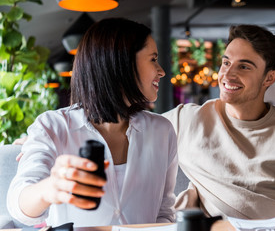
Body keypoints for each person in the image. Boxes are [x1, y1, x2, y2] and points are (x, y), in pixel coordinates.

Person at [7, 18, 178, 227]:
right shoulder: (53, 126)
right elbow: (19, 205)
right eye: (153, 59)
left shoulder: (162, 131)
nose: (161, 71)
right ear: (121, 63)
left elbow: (164, 214)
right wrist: (51, 187)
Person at [162, 24, 275, 219]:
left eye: (244, 66)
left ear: (269, 78)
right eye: (226, 63)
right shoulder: (187, 119)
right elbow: (131, 133)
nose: (228, 75)